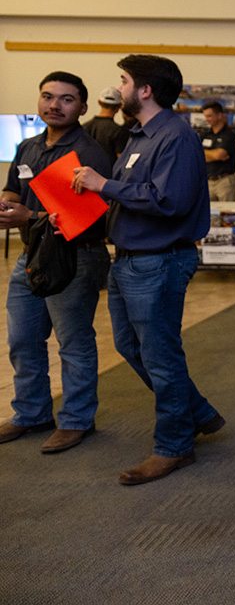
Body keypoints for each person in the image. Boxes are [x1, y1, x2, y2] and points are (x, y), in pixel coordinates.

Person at [72, 54, 225, 485]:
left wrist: (106, 185)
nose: (118, 88)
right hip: (131, 261)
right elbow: (131, 195)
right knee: (131, 347)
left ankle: (175, 446)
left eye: (124, 81)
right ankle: (199, 413)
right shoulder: (140, 135)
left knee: (160, 356)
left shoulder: (175, 136)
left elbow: (169, 201)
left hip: (159, 261)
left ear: (145, 90)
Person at [0, 72, 112, 454]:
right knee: (22, 340)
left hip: (75, 258)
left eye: (66, 99)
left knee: (73, 342)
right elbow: (14, 187)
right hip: (31, 256)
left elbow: (86, 218)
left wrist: (27, 217)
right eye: (48, 97)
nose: (54, 105)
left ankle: (77, 420)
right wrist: (7, 204)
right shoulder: (28, 146)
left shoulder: (89, 154)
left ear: (82, 107)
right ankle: (31, 413)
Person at [199, 100, 235, 202]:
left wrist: (208, 154)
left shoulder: (229, 135)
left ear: (219, 115)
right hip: (208, 181)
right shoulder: (205, 134)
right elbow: (195, 154)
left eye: (209, 116)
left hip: (224, 181)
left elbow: (220, 155)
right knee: (208, 215)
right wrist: (213, 155)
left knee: (226, 215)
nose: (207, 119)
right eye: (205, 116)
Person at [82, 86, 131, 165]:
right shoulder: (119, 131)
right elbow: (122, 162)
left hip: (86, 174)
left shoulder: (84, 127)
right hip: (107, 176)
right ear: (119, 106)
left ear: (99, 102)